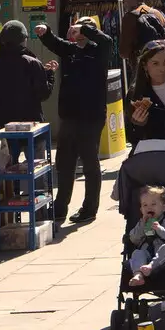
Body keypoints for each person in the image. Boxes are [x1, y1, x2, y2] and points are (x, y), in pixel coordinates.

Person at [35, 16, 114, 225]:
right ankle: (60, 207)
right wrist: (45, 32)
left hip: (90, 116)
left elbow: (107, 41)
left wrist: (85, 29)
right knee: (65, 163)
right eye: (75, 29)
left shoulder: (99, 50)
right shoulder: (71, 50)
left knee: (89, 163)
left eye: (81, 30)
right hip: (69, 115)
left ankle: (89, 208)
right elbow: (56, 43)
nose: (75, 33)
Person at [0, 21, 56, 126]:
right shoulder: (32, 63)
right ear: (24, 39)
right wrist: (50, 74)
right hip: (29, 126)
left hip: (2, 125)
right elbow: (43, 93)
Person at [125, 186, 165, 288]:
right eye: (145, 205)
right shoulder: (141, 223)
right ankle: (138, 275)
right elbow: (133, 239)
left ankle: (151, 266)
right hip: (147, 255)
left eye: (153, 204)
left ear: (163, 207)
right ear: (141, 209)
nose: (149, 208)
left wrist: (160, 229)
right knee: (137, 253)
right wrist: (143, 225)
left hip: (164, 256)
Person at [119, 0, 165, 78]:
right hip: (162, 69)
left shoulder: (130, 17)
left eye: (125, 0)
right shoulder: (158, 14)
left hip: (142, 71)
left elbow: (124, 52)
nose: (124, 4)